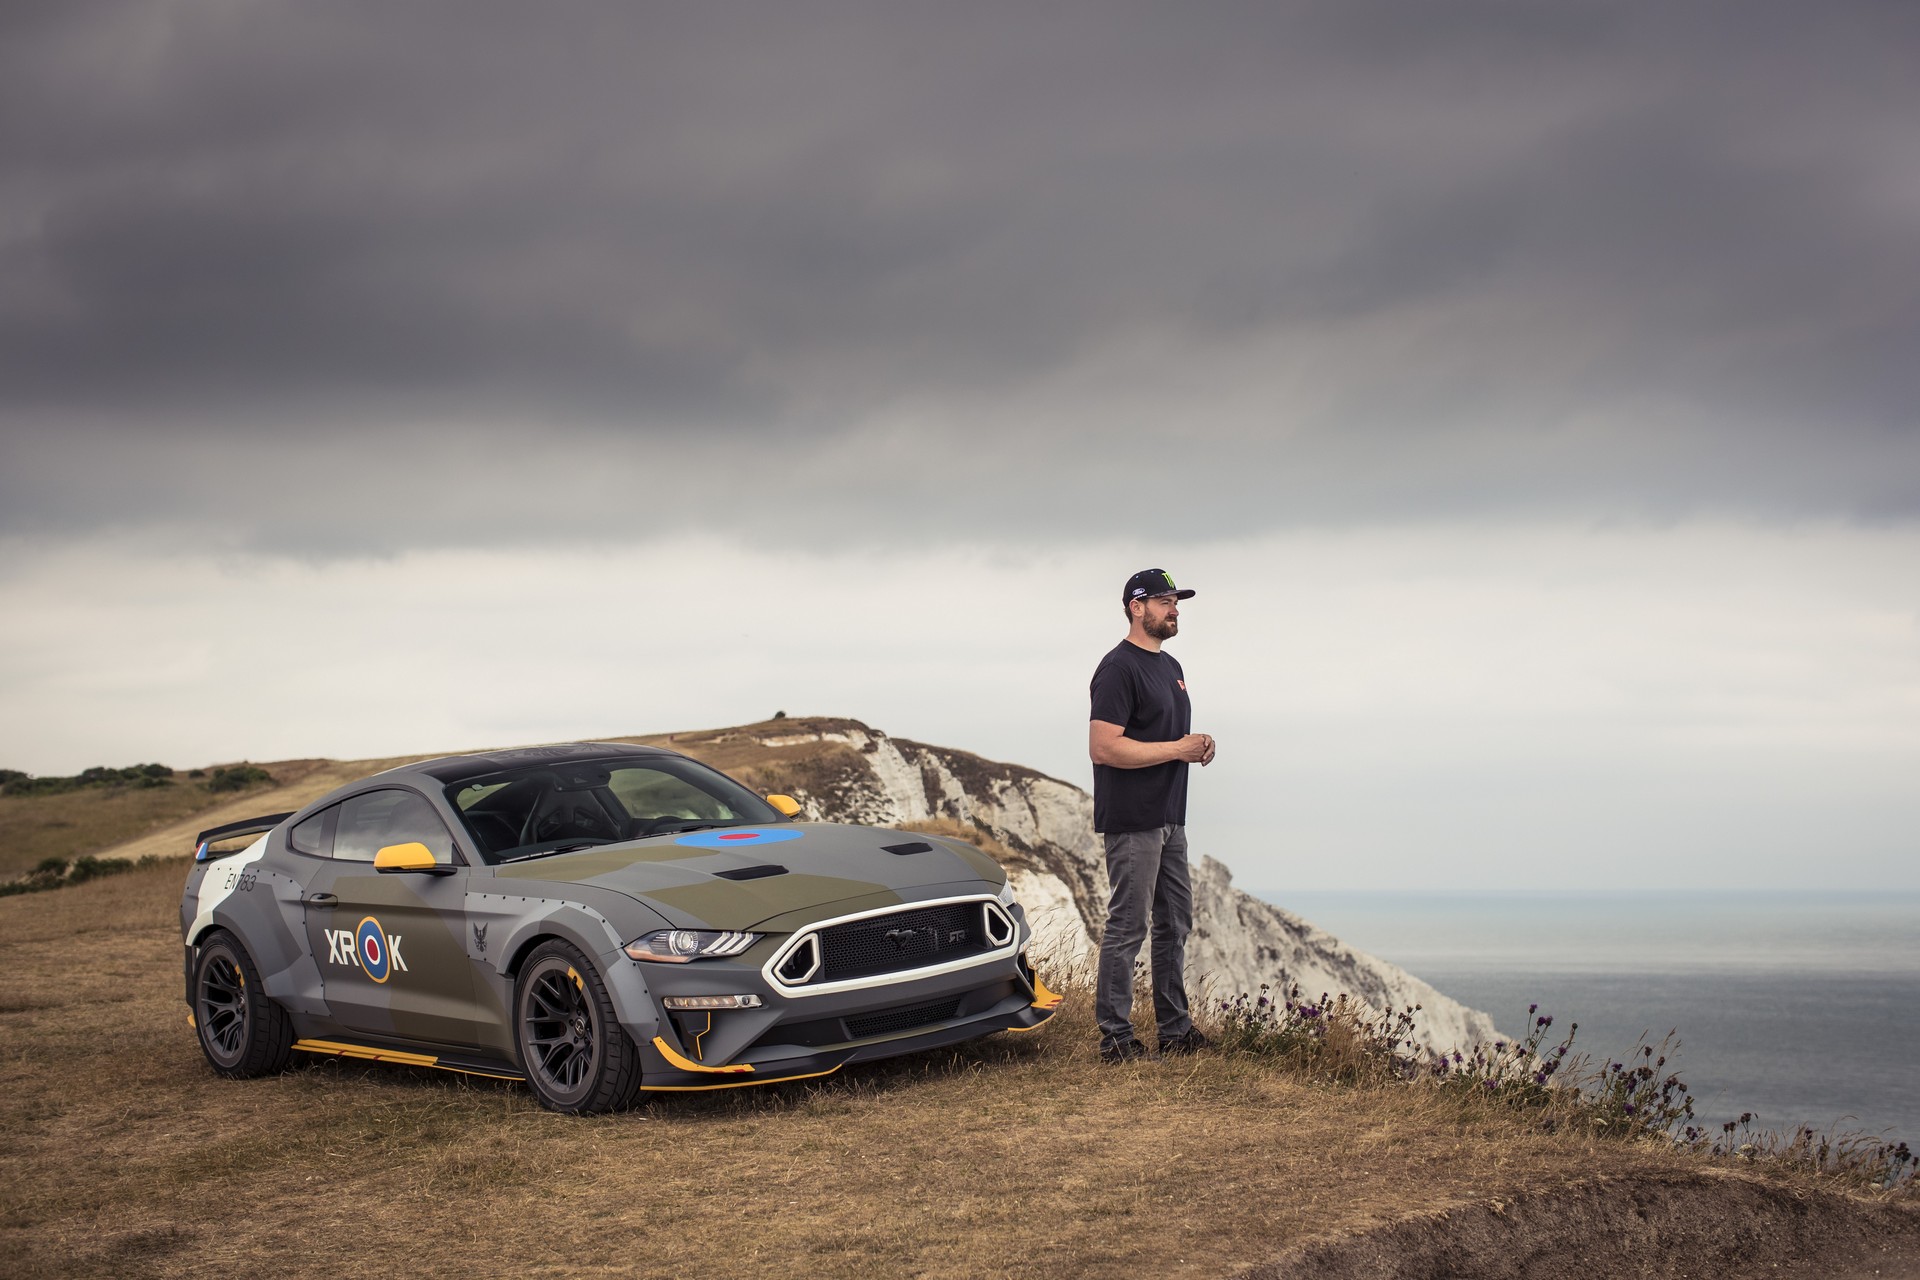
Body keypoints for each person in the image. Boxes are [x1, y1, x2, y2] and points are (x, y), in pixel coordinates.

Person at [1088, 568, 1217, 1064]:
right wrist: (1175, 749)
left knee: (1175, 921)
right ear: (1135, 607)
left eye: (1177, 601)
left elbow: (1167, 741)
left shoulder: (1171, 666)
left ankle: (1176, 1032)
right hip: (1132, 818)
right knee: (1128, 926)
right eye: (1164, 601)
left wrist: (1199, 745)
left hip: (1170, 817)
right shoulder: (1118, 668)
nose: (1174, 609)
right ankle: (1116, 1040)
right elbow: (1104, 748)